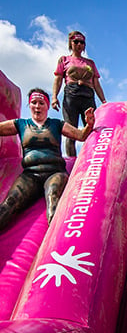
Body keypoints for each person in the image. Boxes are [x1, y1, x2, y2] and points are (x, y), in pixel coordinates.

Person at [0, 88, 94, 230]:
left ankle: (57, 246)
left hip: (54, 172)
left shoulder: (56, 124)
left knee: (53, 197)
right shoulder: (21, 124)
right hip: (30, 175)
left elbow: (81, 135)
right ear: (29, 105)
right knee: (10, 202)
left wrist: (89, 124)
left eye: (41, 103)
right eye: (34, 103)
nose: (37, 106)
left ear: (47, 106)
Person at [51, 31, 106, 157]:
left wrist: (103, 101)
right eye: (76, 41)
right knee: (71, 130)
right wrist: (54, 97)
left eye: (82, 42)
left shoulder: (90, 63)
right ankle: (72, 160)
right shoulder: (64, 60)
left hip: (88, 95)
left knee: (93, 128)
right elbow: (58, 79)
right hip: (71, 95)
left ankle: (93, 158)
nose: (79, 44)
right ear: (71, 43)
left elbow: (96, 83)